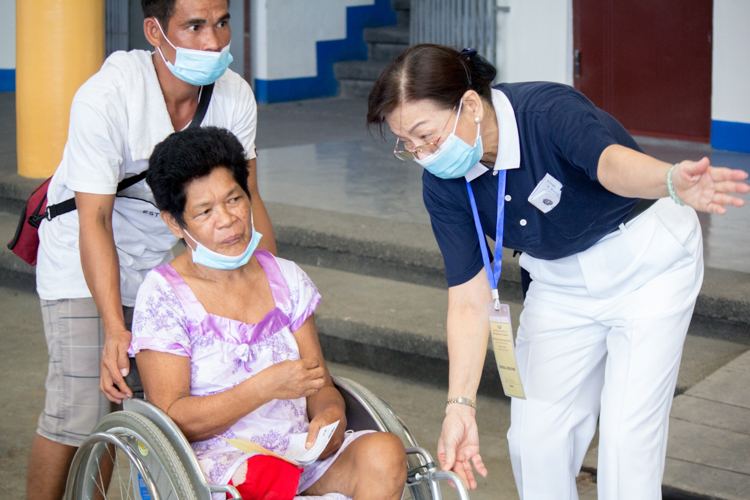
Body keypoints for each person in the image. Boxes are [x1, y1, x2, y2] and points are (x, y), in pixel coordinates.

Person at [365, 44, 749, 499]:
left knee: (628, 438)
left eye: (426, 136)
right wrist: (459, 407)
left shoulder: (546, 112)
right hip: (558, 281)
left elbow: (609, 163)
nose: (423, 154)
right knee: (534, 441)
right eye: (406, 145)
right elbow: (469, 298)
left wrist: (668, 180)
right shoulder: (443, 183)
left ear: (469, 105)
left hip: (647, 265)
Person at [28, 0, 276, 497]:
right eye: (194, 26)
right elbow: (94, 220)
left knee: (162, 412)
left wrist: (273, 290)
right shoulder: (107, 95)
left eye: (222, 23)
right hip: (84, 252)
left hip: (166, 256)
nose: (213, 41)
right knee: (83, 408)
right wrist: (115, 330)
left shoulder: (234, 96)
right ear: (154, 31)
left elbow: (249, 199)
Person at [129, 126, 407, 500]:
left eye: (234, 199)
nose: (227, 219)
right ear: (174, 222)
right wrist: (262, 388)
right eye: (205, 211)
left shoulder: (286, 278)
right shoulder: (163, 295)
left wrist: (330, 420)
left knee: (384, 453)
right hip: (215, 463)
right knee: (262, 476)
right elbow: (172, 417)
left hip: (296, 453)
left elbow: (319, 384)